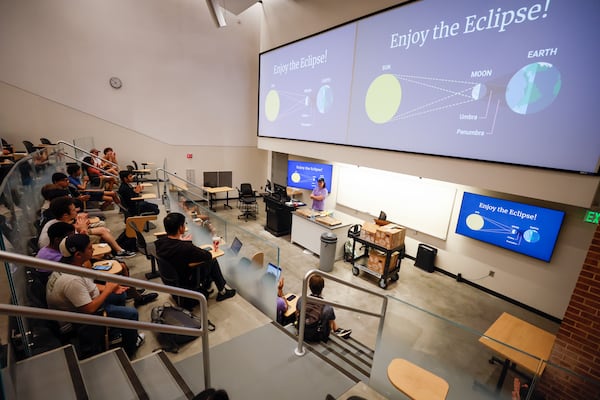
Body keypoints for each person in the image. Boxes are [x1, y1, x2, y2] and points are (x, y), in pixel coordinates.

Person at [45, 234, 144, 357]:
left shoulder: (67, 266)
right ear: (78, 255)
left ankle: (114, 331)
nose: (93, 250)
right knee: (131, 314)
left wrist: (112, 288)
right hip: (79, 320)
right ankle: (130, 348)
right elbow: (89, 309)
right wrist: (108, 289)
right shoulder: (71, 280)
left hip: (84, 304)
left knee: (120, 295)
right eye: (90, 248)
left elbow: (86, 288)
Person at [155, 212, 236, 303]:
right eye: (184, 224)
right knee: (212, 261)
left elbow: (177, 252)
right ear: (180, 228)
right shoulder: (185, 247)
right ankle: (222, 291)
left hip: (171, 280)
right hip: (185, 281)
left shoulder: (160, 243)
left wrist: (181, 242)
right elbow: (207, 255)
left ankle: (208, 286)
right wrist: (188, 243)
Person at [39, 197, 136, 258]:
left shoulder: (57, 222)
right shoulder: (60, 230)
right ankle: (114, 252)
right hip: (67, 252)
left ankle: (118, 251)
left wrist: (81, 226)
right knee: (100, 234)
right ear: (65, 215)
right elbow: (80, 240)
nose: (76, 211)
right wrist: (83, 228)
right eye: (73, 210)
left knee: (102, 229)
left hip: (69, 247)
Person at [296, 274, 351, 340]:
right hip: (316, 337)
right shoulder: (327, 307)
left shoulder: (301, 299)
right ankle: (336, 330)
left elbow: (297, 315)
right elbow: (329, 327)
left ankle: (337, 329)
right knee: (328, 316)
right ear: (323, 287)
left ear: (309, 286)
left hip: (301, 330)